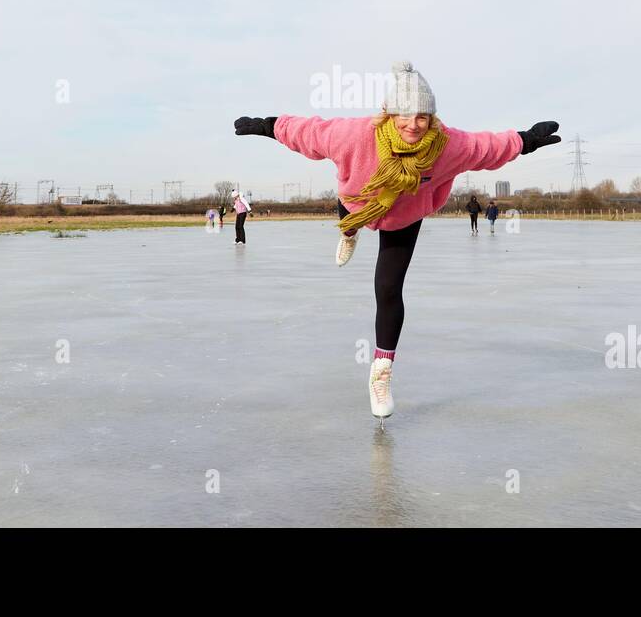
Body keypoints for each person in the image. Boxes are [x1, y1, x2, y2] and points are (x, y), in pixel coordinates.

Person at [234, 60, 559, 421]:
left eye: (422, 116)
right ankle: (349, 233)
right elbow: (310, 133)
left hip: (404, 217)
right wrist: (267, 126)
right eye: (404, 114)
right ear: (388, 113)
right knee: (348, 221)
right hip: (358, 202)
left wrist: (526, 140)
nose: (413, 125)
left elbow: (487, 148)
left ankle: (381, 372)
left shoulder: (447, 145)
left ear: (432, 118)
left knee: (388, 289)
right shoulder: (355, 136)